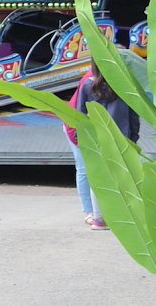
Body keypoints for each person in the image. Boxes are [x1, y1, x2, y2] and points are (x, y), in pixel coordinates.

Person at [75, 61, 141, 230]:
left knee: (99, 177)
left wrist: (82, 139)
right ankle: (125, 217)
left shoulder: (88, 84)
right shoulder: (123, 84)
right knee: (123, 177)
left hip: (96, 139)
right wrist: (133, 137)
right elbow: (133, 114)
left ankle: (98, 218)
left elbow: (80, 114)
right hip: (121, 139)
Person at [65, 69, 94, 226]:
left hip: (94, 128)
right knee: (84, 169)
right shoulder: (90, 80)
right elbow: (79, 112)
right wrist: (78, 136)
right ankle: (89, 211)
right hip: (76, 126)